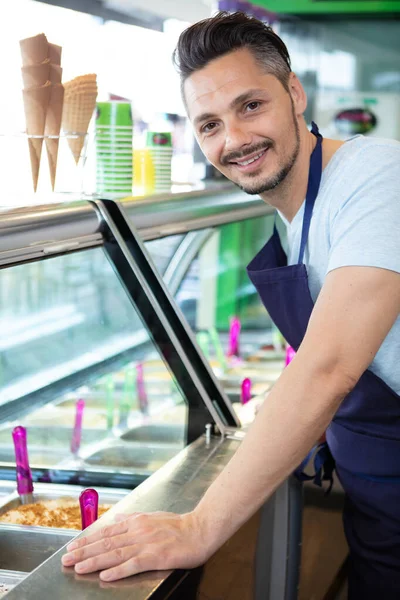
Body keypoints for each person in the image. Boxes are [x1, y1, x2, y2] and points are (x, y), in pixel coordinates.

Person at [62, 12, 400, 598]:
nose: (234, 141)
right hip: (380, 503)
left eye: (251, 106)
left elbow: (329, 367)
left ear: (293, 92)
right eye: (209, 124)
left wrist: (200, 526)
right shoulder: (296, 211)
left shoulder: (379, 177)